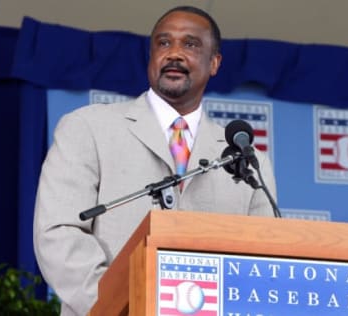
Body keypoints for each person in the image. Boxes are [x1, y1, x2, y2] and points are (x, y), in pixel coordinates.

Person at [33, 5, 276, 316]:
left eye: (190, 44)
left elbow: (261, 261)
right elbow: (58, 232)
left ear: (214, 63)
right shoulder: (87, 127)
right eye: (163, 43)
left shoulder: (247, 159)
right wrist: (125, 304)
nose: (174, 53)